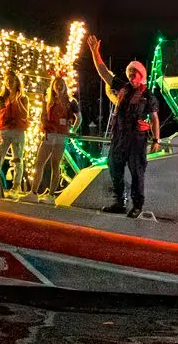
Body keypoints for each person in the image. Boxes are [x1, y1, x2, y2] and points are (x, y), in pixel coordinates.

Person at [87, 34, 160, 217]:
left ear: (141, 75)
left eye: (134, 72)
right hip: (119, 138)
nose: (130, 75)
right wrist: (96, 53)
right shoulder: (122, 88)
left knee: (137, 174)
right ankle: (120, 202)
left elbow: (154, 119)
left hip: (137, 140)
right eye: (129, 72)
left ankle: (137, 206)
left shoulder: (148, 96)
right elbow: (103, 72)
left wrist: (156, 139)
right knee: (114, 167)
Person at [31, 75, 80, 197]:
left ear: (65, 86)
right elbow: (43, 116)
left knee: (55, 164)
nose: (59, 87)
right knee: (39, 163)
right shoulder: (48, 101)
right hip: (49, 135)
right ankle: (33, 192)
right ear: (53, 87)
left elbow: (79, 118)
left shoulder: (71, 102)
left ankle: (51, 195)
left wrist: (72, 130)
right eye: (56, 84)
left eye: (61, 84)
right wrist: (43, 124)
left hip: (61, 136)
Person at [0, 69, 29, 193]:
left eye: (11, 81)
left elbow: (25, 114)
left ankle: (16, 186)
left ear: (17, 82)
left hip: (18, 131)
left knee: (17, 158)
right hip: (4, 130)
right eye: (7, 81)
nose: (9, 83)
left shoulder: (23, 98)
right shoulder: (3, 98)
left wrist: (18, 101)